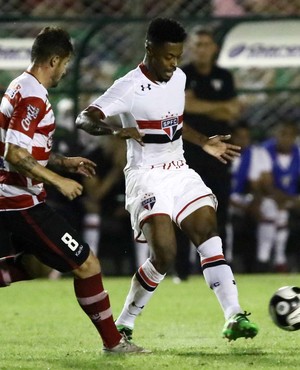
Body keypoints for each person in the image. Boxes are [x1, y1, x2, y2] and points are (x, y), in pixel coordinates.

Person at [76, 17, 258, 343]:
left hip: (179, 170)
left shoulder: (179, 77)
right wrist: (116, 130)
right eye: (167, 57)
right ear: (149, 49)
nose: (173, 64)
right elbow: (85, 118)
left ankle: (234, 316)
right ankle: (126, 321)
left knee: (207, 231)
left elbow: (175, 123)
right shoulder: (128, 86)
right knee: (164, 254)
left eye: (177, 56)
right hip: (145, 177)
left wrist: (204, 142)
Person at [0, 26, 146, 354]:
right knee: (88, 264)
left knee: (35, 266)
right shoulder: (34, 95)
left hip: (14, 198)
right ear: (54, 59)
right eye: (65, 63)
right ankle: (114, 343)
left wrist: (63, 163)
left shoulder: (18, 86)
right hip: (21, 201)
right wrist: (59, 181)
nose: (65, 69)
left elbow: (25, 148)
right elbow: (15, 153)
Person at [181, 26, 241, 258]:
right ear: (190, 49)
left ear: (214, 49)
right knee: (186, 208)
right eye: (197, 45)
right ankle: (182, 269)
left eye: (206, 45)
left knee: (221, 209)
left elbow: (232, 112)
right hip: (189, 150)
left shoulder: (224, 76)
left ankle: (219, 261)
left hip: (221, 151)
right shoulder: (182, 75)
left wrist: (199, 105)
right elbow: (184, 107)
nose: (202, 50)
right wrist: (218, 106)